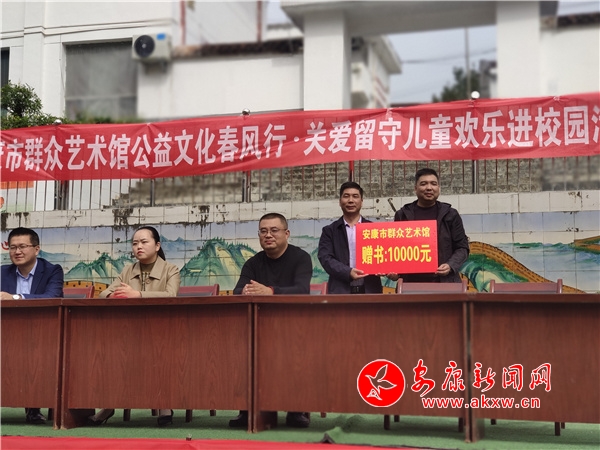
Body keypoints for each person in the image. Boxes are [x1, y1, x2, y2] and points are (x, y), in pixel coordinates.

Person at [88, 225, 180, 427]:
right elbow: (104, 293)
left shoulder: (170, 269)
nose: (139, 246)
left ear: (157, 246)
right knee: (113, 355)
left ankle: (165, 404)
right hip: (128, 330)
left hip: (161, 330)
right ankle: (110, 404)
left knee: (159, 353)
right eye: (135, 243)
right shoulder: (128, 270)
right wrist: (116, 295)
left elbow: (171, 295)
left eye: (144, 242)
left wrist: (137, 295)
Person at [230, 213, 312, 429]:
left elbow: (302, 290)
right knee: (243, 347)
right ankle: (247, 409)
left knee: (295, 349)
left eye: (274, 230)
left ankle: (296, 409)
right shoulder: (253, 263)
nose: (268, 235)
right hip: (260, 326)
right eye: (263, 231)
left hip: (293, 325)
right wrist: (246, 291)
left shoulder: (301, 258)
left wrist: (271, 291)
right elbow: (238, 290)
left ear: (286, 233)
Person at [1, 227, 64, 425]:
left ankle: (34, 407)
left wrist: (15, 298)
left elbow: (52, 297)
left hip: (43, 332)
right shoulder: (2, 273)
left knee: (34, 351)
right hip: (7, 332)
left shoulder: (52, 270)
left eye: (22, 246)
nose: (17, 251)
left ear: (36, 249)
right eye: (12, 247)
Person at [392, 167, 469, 283]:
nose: (429, 188)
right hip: (411, 283)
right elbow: (396, 249)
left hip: (444, 282)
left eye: (433, 184)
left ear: (439, 188)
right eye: (423, 184)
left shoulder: (450, 214)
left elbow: (462, 247)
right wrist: (396, 272)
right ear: (415, 188)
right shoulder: (403, 215)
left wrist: (450, 265)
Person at [318, 181, 383, 294]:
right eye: (346, 196)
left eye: (355, 196)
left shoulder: (374, 230)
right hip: (340, 292)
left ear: (361, 202)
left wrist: (388, 270)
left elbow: (384, 255)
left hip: (370, 290)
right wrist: (348, 272)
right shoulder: (329, 231)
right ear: (340, 201)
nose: (351, 200)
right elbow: (326, 259)